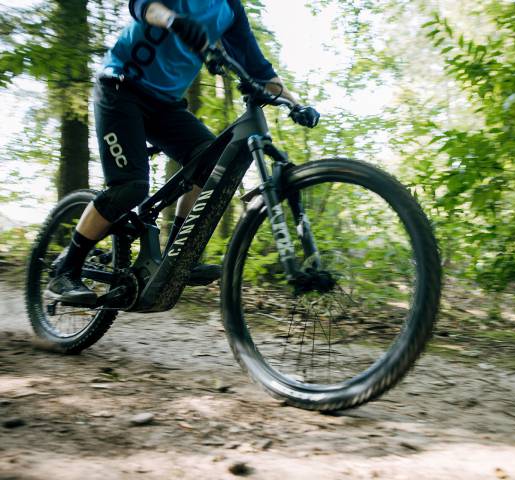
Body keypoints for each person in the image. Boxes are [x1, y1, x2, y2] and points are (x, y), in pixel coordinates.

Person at [46, 0, 320, 305]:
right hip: (120, 88)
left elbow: (259, 70)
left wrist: (296, 104)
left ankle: (177, 257)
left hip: (165, 105)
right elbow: (143, 7)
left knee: (212, 162)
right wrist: (174, 20)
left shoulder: (230, 9)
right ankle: (65, 269)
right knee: (131, 187)